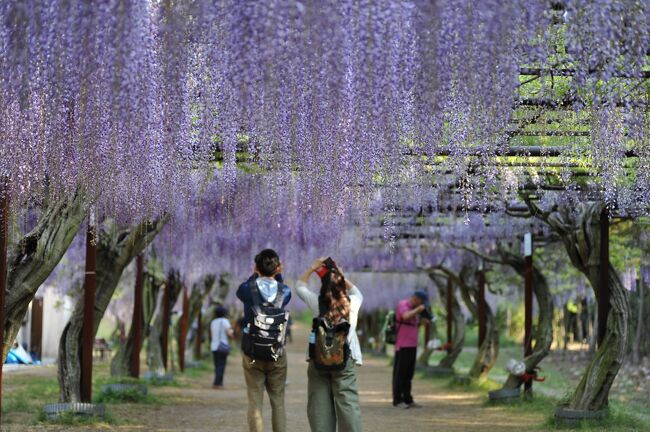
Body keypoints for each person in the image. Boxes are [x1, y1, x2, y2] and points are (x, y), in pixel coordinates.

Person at [296, 257, 363, 432]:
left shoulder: (317, 303)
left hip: (318, 358)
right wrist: (338, 274)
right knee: (347, 401)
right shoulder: (353, 303)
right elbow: (356, 290)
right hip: (344, 359)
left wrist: (313, 268)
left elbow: (299, 287)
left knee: (318, 403)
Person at [236, 249, 292, 432]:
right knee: (278, 402)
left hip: (252, 352)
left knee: (254, 401)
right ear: (278, 267)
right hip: (277, 352)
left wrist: (255, 274)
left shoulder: (246, 290)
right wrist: (278, 275)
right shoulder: (285, 291)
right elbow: (283, 290)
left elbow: (244, 287)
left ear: (255, 267)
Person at [392, 291, 431, 409]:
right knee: (400, 374)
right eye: (422, 302)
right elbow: (405, 316)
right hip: (403, 345)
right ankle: (398, 400)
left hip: (412, 345)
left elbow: (411, 322)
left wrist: (422, 322)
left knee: (409, 375)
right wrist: (418, 310)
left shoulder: (414, 310)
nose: (422, 304)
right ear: (416, 299)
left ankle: (408, 399)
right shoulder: (403, 305)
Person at [210, 306, 233, 389]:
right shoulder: (224, 321)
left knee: (217, 365)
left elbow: (212, 334)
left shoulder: (213, 322)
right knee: (221, 365)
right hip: (222, 346)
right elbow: (230, 332)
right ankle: (218, 383)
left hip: (214, 346)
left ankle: (217, 382)